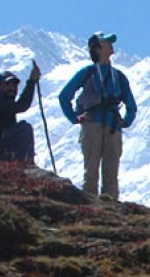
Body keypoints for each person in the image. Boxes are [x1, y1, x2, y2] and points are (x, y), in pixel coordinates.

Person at [59, 31, 138, 200]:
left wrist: (126, 121)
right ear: (96, 48)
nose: (111, 45)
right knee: (92, 172)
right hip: (97, 124)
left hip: (107, 125)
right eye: (106, 42)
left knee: (110, 173)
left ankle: (106, 209)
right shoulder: (89, 72)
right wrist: (75, 118)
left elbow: (131, 105)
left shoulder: (118, 76)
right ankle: (93, 207)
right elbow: (64, 96)